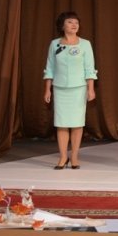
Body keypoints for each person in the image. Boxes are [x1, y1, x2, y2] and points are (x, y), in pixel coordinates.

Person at [43, 11, 97, 169]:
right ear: (62, 26)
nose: (74, 25)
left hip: (79, 89)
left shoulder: (85, 44)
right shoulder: (55, 44)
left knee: (77, 124)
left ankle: (74, 156)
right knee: (61, 124)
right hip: (60, 89)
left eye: (76, 22)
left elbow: (90, 69)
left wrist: (91, 89)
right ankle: (62, 157)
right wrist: (47, 90)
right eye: (70, 22)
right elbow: (50, 68)